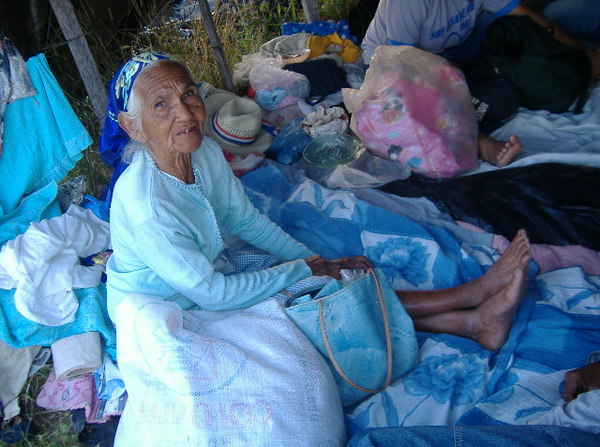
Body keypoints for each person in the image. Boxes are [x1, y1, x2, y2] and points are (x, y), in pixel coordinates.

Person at [103, 52, 532, 352]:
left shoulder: (205, 151)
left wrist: (319, 262)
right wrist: (308, 269)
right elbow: (213, 295)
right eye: (161, 104)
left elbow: (244, 219)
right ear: (132, 127)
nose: (184, 112)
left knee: (330, 286)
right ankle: (470, 300)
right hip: (167, 312)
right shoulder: (148, 209)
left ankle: (472, 320)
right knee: (306, 305)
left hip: (204, 277)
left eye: (188, 94)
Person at [360, 0, 600, 168]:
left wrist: (584, 56)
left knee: (526, 23)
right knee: (408, 96)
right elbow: (404, 65)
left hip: (456, 48)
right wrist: (476, 134)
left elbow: (522, 13)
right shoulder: (408, 3)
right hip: (391, 60)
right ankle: (482, 144)